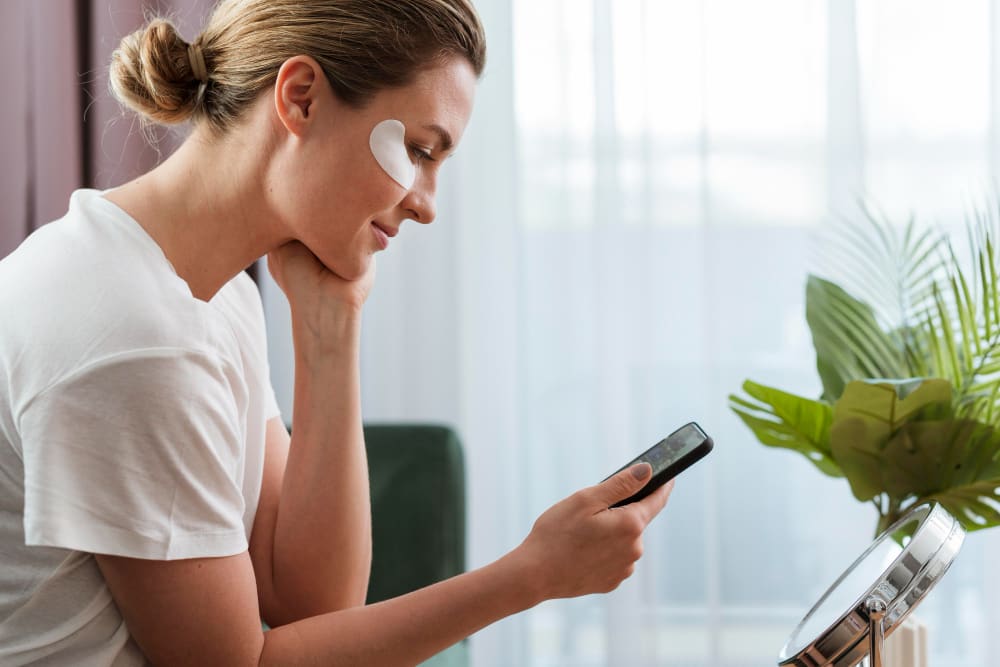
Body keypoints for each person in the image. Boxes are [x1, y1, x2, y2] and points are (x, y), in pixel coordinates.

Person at [0, 0, 673, 664]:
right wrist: (532, 574)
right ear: (300, 99)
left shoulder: (211, 294)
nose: (426, 203)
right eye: (418, 149)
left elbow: (312, 603)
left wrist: (331, 332)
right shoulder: (135, 335)